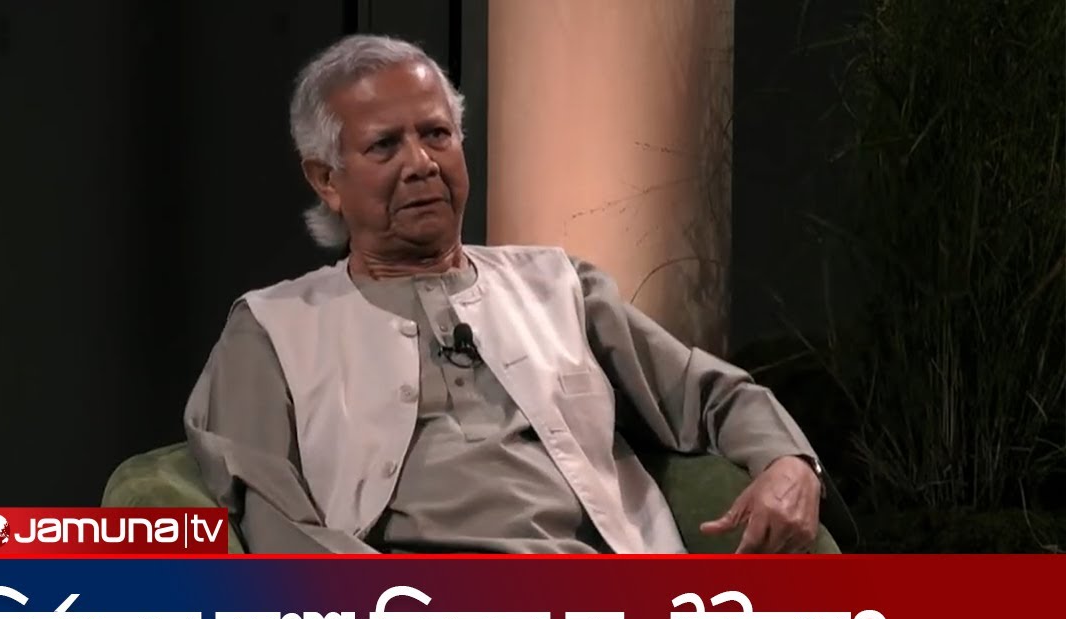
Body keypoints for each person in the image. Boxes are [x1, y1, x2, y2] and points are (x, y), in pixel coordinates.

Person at [183, 34, 829, 554]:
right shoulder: (273, 328)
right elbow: (269, 512)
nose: (421, 163)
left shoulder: (559, 286)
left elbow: (708, 393)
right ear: (327, 179)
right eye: (385, 145)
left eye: (436, 134)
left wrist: (789, 462)